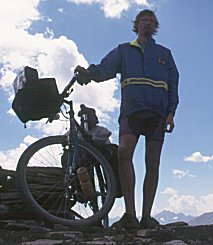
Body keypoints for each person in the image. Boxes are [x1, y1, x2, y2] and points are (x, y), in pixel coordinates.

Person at [74, 9, 179, 230]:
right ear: (137, 24)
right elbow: (105, 69)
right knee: (124, 154)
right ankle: (130, 215)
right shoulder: (124, 51)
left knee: (152, 163)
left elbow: (173, 85)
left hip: (158, 115)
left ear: (155, 26)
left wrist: (171, 113)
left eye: (152, 20)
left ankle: (146, 217)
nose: (148, 23)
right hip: (131, 112)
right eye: (144, 20)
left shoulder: (164, 54)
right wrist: (88, 73)